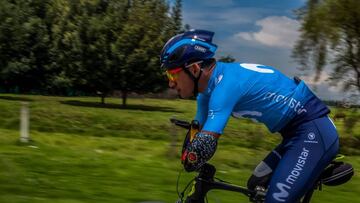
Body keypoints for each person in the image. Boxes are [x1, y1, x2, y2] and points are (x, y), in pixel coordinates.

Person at [160, 29, 339, 203]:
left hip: (313, 133)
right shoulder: (205, 94)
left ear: (194, 68)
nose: (170, 83)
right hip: (294, 135)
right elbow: (197, 130)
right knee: (256, 184)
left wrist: (191, 157)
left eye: (172, 73)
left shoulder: (224, 88)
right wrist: (191, 151)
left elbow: (205, 143)